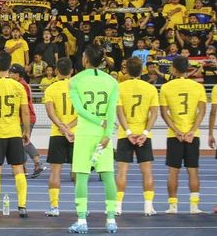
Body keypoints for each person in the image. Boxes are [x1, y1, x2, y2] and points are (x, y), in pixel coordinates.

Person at [68, 44, 120, 234]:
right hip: (103, 137)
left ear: (86, 60)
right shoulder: (112, 82)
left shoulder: (74, 81)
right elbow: (112, 112)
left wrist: (98, 122)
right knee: (108, 176)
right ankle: (111, 220)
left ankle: (82, 220)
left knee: (82, 176)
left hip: (85, 134)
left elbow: (80, 110)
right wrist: (107, 134)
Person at [0, 52, 30, 218]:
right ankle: (22, 206)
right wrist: (27, 131)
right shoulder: (19, 86)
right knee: (18, 169)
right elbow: (25, 111)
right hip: (15, 132)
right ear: (10, 66)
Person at [160, 56, 206, 214]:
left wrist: (177, 131)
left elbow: (164, 113)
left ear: (173, 69)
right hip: (193, 135)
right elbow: (202, 112)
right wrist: (192, 130)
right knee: (193, 170)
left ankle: (173, 206)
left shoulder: (166, 87)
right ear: (188, 69)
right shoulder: (198, 87)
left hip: (175, 135)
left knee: (173, 170)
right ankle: (194, 206)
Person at [115, 56, 159, 216]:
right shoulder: (150, 89)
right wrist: (145, 133)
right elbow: (154, 113)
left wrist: (128, 132)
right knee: (147, 172)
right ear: (142, 70)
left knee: (122, 172)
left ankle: (118, 207)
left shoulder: (120, 87)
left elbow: (119, 112)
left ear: (126, 70)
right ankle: (148, 207)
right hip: (143, 136)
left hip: (125, 135)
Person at [42, 57, 76, 217]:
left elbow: (50, 112)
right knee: (79, 173)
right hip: (76, 133)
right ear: (72, 71)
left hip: (58, 133)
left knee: (55, 171)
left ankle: (54, 207)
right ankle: (80, 207)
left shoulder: (50, 89)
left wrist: (62, 127)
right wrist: (69, 127)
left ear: (56, 71)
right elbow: (84, 113)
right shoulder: (78, 87)